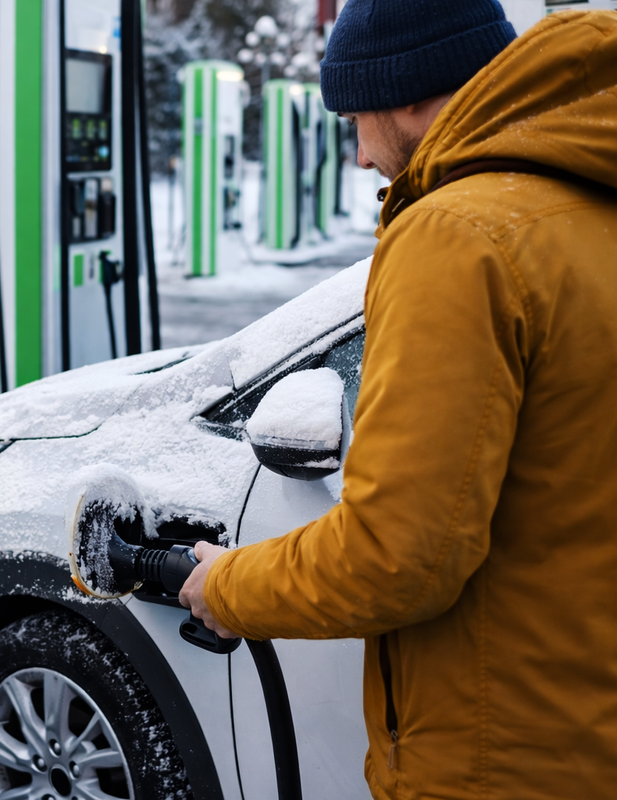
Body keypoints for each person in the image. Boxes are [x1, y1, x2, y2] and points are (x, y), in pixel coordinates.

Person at [176, 2, 617, 798]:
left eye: (354, 118)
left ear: (408, 92)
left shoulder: (459, 235)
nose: (357, 154)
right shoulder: (586, 202)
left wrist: (228, 587)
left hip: (503, 757)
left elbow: (396, 558)